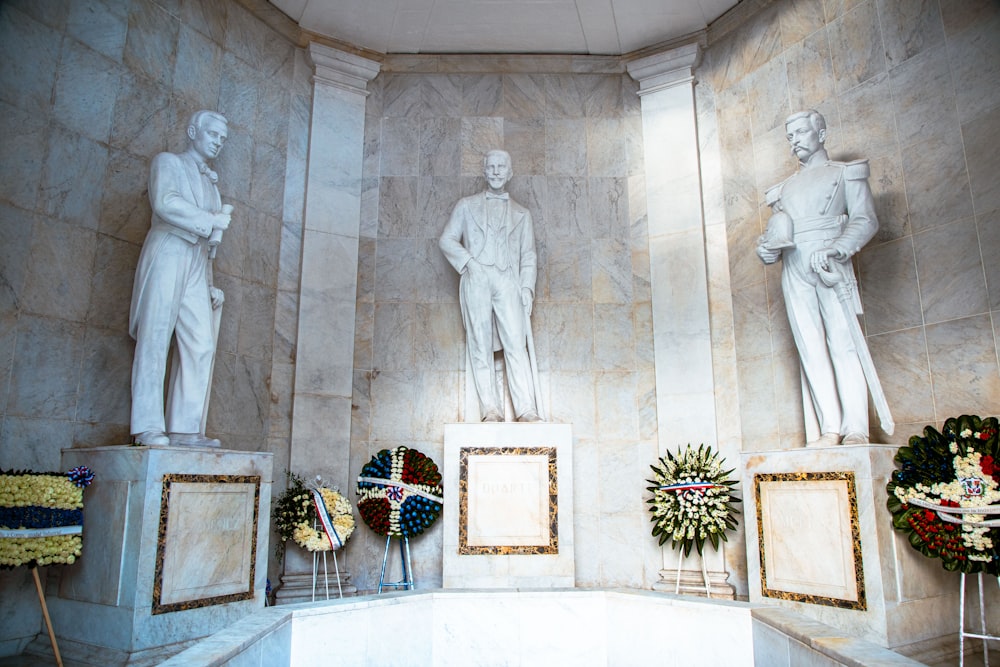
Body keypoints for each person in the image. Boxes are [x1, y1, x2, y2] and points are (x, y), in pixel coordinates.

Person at [756, 110, 879, 447]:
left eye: (800, 133)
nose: (794, 141)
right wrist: (768, 251)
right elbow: (778, 236)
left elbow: (865, 219)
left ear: (821, 134)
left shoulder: (845, 174)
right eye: (790, 136)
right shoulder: (783, 190)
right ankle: (829, 429)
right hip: (794, 267)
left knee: (843, 343)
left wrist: (839, 248)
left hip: (829, 262)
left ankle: (856, 427)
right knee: (810, 349)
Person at [129, 110, 232, 447]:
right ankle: (147, 426)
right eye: (213, 134)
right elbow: (165, 203)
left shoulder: (212, 184)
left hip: (196, 263)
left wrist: (208, 283)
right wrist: (212, 219)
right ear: (193, 131)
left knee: (201, 343)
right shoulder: (168, 162)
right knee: (155, 335)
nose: (218, 142)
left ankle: (186, 429)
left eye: (222, 138)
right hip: (169, 250)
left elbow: (208, 243)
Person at [439, 149, 542, 422]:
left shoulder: (522, 214)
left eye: (501, 167)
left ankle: (526, 408)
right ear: (485, 171)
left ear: (509, 173)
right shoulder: (466, 205)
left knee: (516, 344)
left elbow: (529, 254)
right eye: (492, 166)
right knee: (480, 343)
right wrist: (469, 263)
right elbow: (447, 240)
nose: (496, 171)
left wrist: (526, 288)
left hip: (509, 280)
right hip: (477, 277)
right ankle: (490, 408)